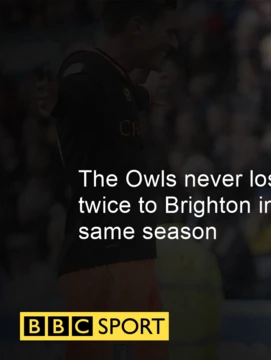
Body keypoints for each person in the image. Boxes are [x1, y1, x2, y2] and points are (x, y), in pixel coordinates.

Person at [48, 1, 178, 359]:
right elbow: (69, 104)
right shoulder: (83, 72)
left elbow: (124, 100)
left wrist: (146, 95)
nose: (175, 43)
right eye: (168, 31)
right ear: (137, 26)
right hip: (105, 257)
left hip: (122, 252)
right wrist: (52, 104)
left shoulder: (114, 78)